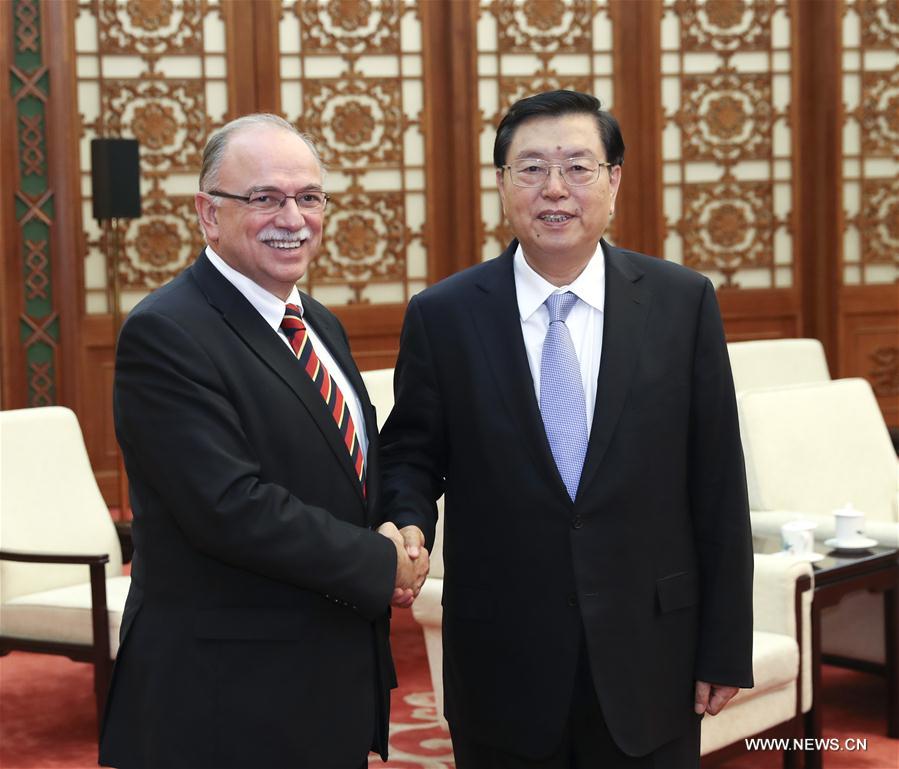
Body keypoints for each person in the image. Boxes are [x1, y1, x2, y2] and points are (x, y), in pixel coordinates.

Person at [379, 90, 754, 768]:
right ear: (500, 184)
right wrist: (407, 521)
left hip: (651, 655)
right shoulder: (444, 315)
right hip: (502, 657)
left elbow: (718, 482)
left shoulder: (681, 302)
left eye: (577, 167)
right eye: (530, 168)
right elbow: (409, 454)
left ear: (613, 180)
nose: (554, 189)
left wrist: (724, 644)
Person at [99, 114, 428, 769]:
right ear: (206, 213)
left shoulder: (316, 322)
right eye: (264, 198)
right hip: (223, 698)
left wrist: (405, 523)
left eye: (309, 197)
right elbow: (228, 506)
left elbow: (358, 460)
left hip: (322, 678)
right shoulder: (167, 333)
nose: (293, 216)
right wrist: (376, 561)